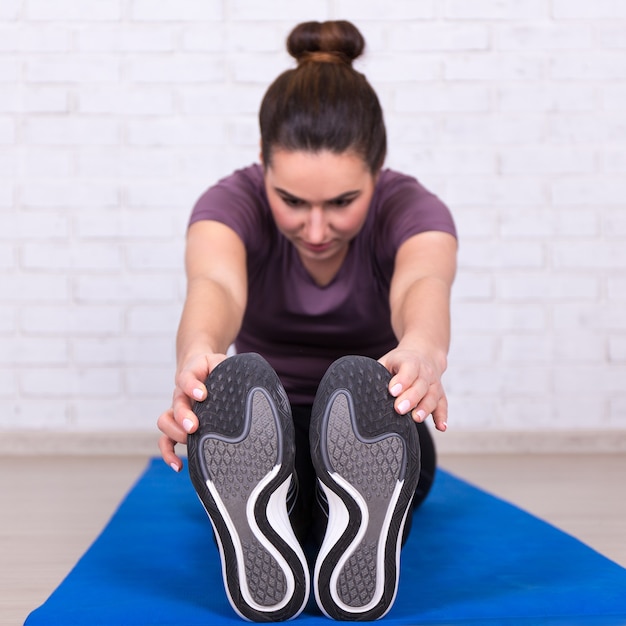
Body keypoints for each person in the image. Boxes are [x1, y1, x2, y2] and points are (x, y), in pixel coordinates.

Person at [157, 19, 457, 623]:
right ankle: (310, 525)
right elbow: (215, 283)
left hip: (374, 419)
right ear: (263, 167)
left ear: (378, 173)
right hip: (262, 418)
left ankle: (318, 522)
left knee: (382, 452)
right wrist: (199, 357)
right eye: (291, 201)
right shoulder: (227, 206)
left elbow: (422, 283)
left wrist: (423, 350)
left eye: (342, 203)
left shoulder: (414, 210)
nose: (316, 231)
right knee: (274, 455)